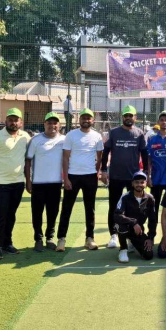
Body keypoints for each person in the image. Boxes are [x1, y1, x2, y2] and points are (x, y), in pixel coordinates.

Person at [0, 108, 31, 261]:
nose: (13, 122)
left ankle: (7, 243)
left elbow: (28, 160)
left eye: (16, 120)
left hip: (18, 183)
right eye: (10, 119)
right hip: (0, 183)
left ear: (21, 122)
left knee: (11, 215)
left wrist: (28, 180)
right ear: (6, 121)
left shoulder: (25, 137)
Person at [101, 105, 149, 249]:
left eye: (130, 115)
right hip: (116, 176)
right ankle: (113, 235)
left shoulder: (139, 133)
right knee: (114, 206)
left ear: (135, 117)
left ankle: (131, 237)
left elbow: (144, 153)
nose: (128, 118)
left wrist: (146, 172)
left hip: (133, 178)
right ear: (122, 117)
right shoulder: (114, 132)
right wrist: (104, 170)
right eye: (126, 115)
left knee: (134, 208)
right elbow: (106, 151)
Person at [59, 108, 104, 252]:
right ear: (79, 120)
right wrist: (66, 178)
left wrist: (96, 172)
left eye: (88, 118)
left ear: (93, 120)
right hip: (72, 176)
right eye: (83, 118)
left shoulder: (97, 136)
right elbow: (65, 157)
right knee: (66, 208)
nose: (86, 120)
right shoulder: (71, 135)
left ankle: (89, 238)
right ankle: (61, 238)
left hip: (90, 177)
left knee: (90, 209)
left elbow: (99, 157)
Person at [25, 112, 65, 253]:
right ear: (44, 124)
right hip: (38, 183)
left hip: (56, 183)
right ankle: (38, 239)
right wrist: (28, 180)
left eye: (55, 123)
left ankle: (50, 238)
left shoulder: (64, 140)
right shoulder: (36, 140)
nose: (52, 125)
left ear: (59, 125)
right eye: (49, 123)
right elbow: (28, 160)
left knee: (53, 212)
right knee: (37, 212)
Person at [114, 171, 158, 263]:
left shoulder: (150, 198)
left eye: (142, 182)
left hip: (138, 230)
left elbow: (153, 219)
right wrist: (133, 222)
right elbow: (117, 215)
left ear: (146, 184)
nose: (139, 184)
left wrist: (150, 238)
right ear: (132, 184)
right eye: (137, 182)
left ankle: (132, 242)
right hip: (125, 226)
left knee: (148, 255)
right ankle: (123, 249)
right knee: (121, 225)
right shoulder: (125, 197)